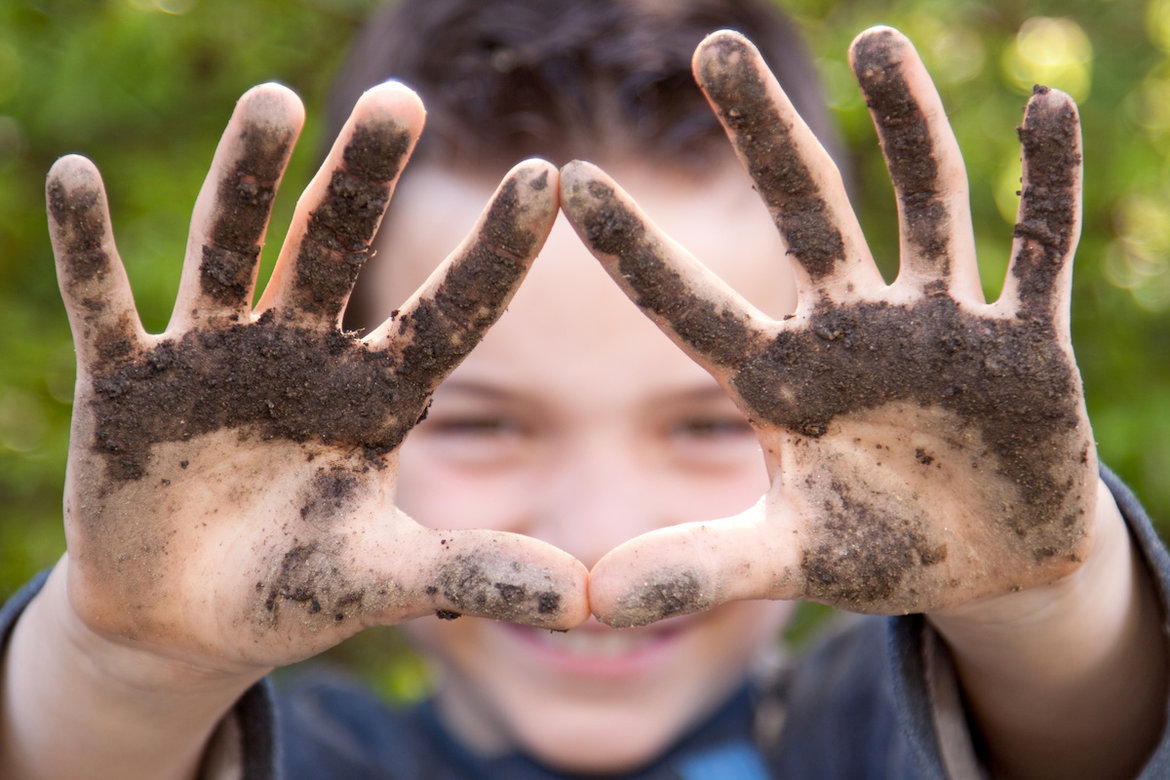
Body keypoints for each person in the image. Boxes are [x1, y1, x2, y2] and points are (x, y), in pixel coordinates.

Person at [2, 0, 1168, 777]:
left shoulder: (855, 736)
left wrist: (1044, 612)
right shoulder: (303, 751)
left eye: (713, 417)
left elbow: (1084, 740)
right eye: (484, 420)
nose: (604, 537)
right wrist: (130, 670)